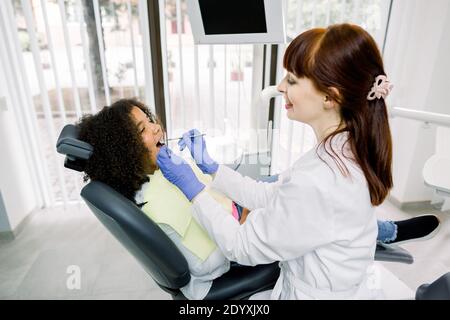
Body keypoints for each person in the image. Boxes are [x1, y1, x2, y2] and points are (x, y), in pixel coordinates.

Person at [156, 24, 440, 299]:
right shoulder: (340, 147)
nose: (280, 87)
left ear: (331, 96)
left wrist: (193, 188)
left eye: (292, 79)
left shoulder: (321, 178)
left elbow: (241, 247)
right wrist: (213, 169)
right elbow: (272, 194)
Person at [77, 98, 438, 300]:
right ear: (123, 151)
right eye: (143, 129)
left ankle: (381, 229)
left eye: (151, 119)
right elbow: (210, 263)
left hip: (231, 210)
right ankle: (379, 231)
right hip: (235, 233)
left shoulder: (158, 175)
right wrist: (235, 209)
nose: (157, 128)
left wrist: (208, 169)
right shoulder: (156, 203)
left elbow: (204, 196)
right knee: (308, 203)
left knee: (290, 188)